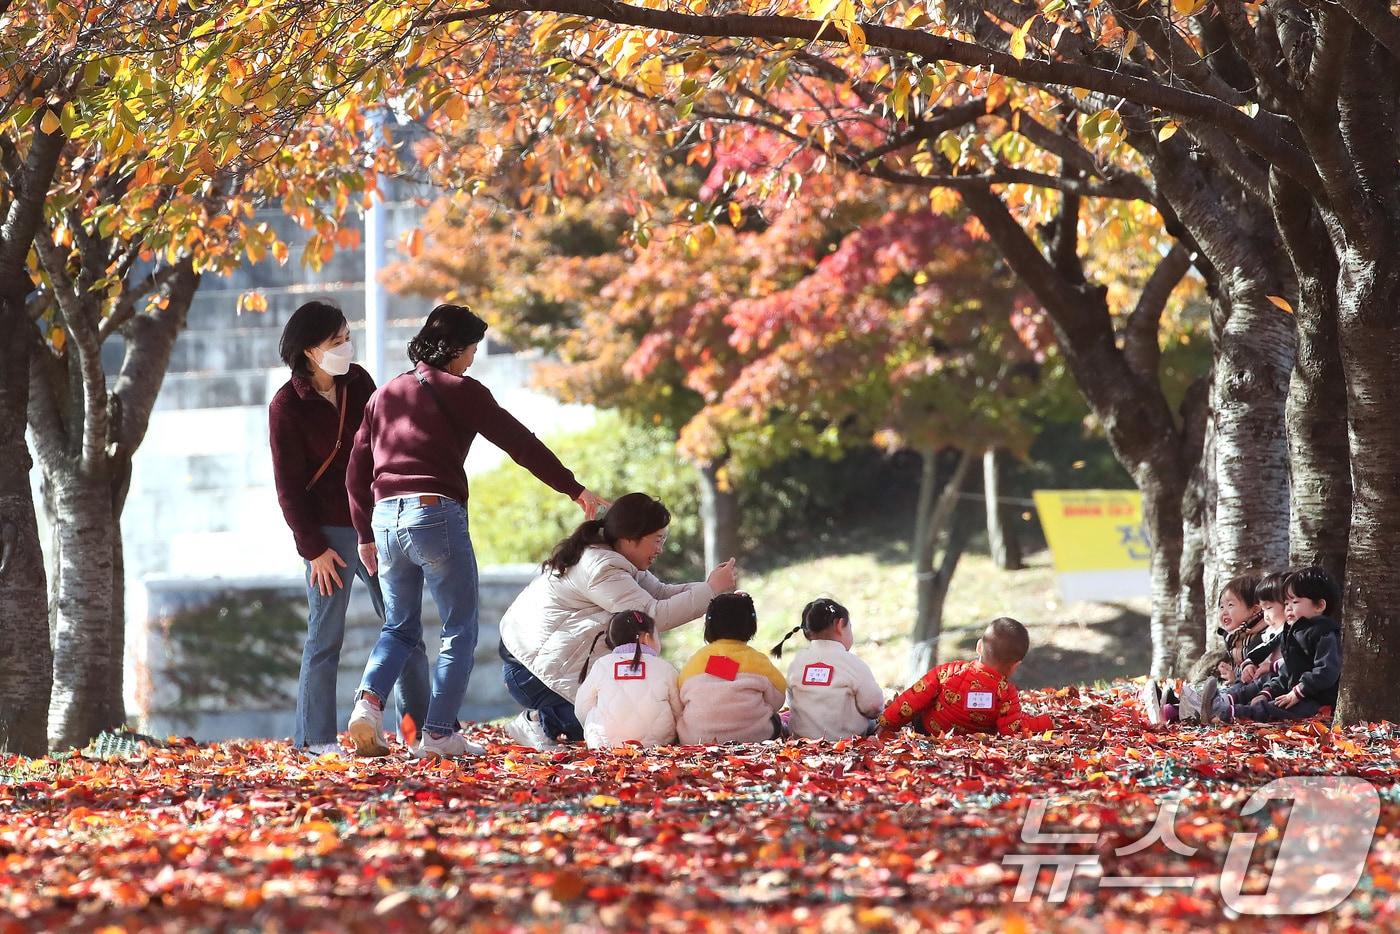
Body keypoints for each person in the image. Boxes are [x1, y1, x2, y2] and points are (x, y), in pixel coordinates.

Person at [344, 303, 607, 759]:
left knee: (399, 626)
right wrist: (575, 490)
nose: (472, 359)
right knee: (458, 629)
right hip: (434, 514)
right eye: (472, 349)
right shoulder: (463, 390)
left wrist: (363, 534)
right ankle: (439, 734)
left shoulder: (383, 394)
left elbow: (355, 469)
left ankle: (368, 704)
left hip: (385, 518)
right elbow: (519, 442)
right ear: (456, 349)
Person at [268, 300, 428, 755]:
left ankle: (417, 734)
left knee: (404, 627)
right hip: (327, 538)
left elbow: (385, 447)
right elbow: (289, 488)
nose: (345, 346)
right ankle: (315, 740)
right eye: (335, 340)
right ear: (309, 350)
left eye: (346, 337)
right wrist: (313, 548)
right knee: (325, 638)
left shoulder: (359, 382)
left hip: (376, 526)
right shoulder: (286, 406)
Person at [498, 492, 736, 749]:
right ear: (630, 537)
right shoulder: (602, 567)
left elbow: (660, 593)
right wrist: (710, 591)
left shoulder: (619, 559)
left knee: (634, 716)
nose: (660, 549)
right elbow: (653, 615)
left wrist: (708, 586)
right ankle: (540, 720)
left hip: (544, 658)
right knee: (615, 724)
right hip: (529, 669)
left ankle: (548, 718)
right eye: (657, 540)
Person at [1198, 566, 1342, 725]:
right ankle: (1214, 707)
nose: (1288, 608)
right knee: (1263, 697)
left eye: (1295, 602)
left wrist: (1298, 691)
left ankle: (1225, 712)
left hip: (1316, 702)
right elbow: (1288, 671)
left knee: (1270, 709)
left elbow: (1327, 671)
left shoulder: (1325, 633)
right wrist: (1268, 692)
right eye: (1286, 603)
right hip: (1296, 693)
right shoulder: (1295, 632)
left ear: (1319, 606)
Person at [877, 617, 1052, 737]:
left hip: (928, 732)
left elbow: (914, 697)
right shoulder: (1006, 694)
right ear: (1015, 665)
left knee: (924, 699)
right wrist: (1046, 722)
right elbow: (1013, 729)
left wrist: (887, 723)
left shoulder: (949, 671)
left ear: (978, 647)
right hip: (973, 741)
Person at [676, 592, 787, 744]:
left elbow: (681, 698)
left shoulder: (695, 661)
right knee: (776, 719)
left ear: (709, 625)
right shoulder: (758, 661)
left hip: (697, 739)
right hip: (753, 737)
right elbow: (778, 699)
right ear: (751, 623)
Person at [772, 598, 884, 740]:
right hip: (845, 742)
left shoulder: (797, 661)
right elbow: (874, 705)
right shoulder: (853, 663)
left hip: (802, 742)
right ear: (840, 625)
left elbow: (792, 699)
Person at [573, 610, 682, 749]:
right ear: (646, 638)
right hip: (657, 747)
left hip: (606, 747)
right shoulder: (664, 667)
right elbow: (679, 710)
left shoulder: (602, 664)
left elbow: (582, 707)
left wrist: (593, 728)